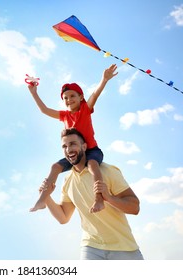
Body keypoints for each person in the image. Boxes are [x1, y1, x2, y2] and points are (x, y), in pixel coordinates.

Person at [28, 64, 118, 213]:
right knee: (55, 167)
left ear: (80, 97)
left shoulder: (85, 109)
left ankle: (99, 199)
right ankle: (42, 199)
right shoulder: (64, 116)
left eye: (72, 96)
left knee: (92, 164)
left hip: (91, 151)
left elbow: (95, 94)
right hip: (74, 155)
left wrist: (104, 79)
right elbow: (44, 110)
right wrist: (33, 93)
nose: (69, 100)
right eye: (65, 98)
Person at [43, 128, 144, 260]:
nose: (68, 150)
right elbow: (63, 217)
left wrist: (109, 198)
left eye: (73, 144)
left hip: (123, 247)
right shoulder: (68, 181)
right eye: (64, 146)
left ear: (84, 147)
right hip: (91, 246)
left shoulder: (107, 171)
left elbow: (135, 208)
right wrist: (47, 197)